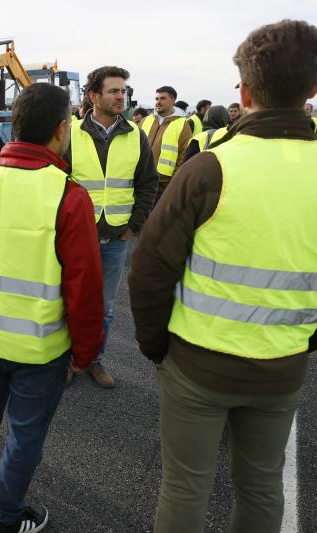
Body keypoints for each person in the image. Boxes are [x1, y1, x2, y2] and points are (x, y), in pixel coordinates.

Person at [128, 19, 317, 533]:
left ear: (246, 90)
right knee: (261, 488)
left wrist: (153, 346)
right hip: (282, 365)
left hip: (197, 366)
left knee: (186, 488)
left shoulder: (211, 167)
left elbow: (148, 270)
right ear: (313, 88)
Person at [0, 83, 104, 533]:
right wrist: (86, 352)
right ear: (61, 128)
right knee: (25, 434)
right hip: (41, 347)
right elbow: (85, 291)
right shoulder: (68, 195)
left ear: (12, 123)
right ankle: (7, 515)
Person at [64, 66, 158, 388]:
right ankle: (67, 360)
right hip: (76, 238)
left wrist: (134, 225)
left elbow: (148, 183)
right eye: (114, 91)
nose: (121, 97)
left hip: (117, 237)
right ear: (94, 96)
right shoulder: (70, 134)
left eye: (123, 91)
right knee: (68, 300)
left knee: (104, 308)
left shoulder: (137, 136)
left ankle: (93, 361)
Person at [140, 86, 192, 201]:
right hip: (141, 180)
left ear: (173, 100)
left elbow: (184, 156)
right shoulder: (146, 121)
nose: (158, 102)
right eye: (157, 98)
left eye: (163, 98)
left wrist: (175, 182)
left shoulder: (182, 124)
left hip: (163, 183)